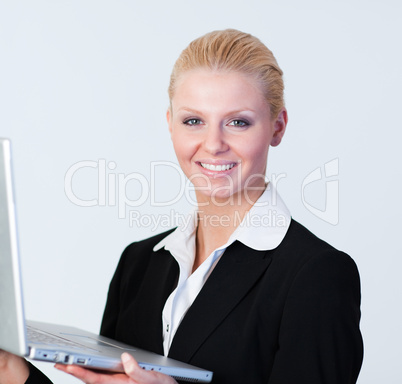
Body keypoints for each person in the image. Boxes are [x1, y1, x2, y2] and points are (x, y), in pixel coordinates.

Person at [0, 29, 363, 384]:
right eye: (193, 121)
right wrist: (12, 372)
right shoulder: (139, 264)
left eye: (238, 122)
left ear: (277, 127)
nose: (213, 144)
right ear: (170, 125)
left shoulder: (317, 275)